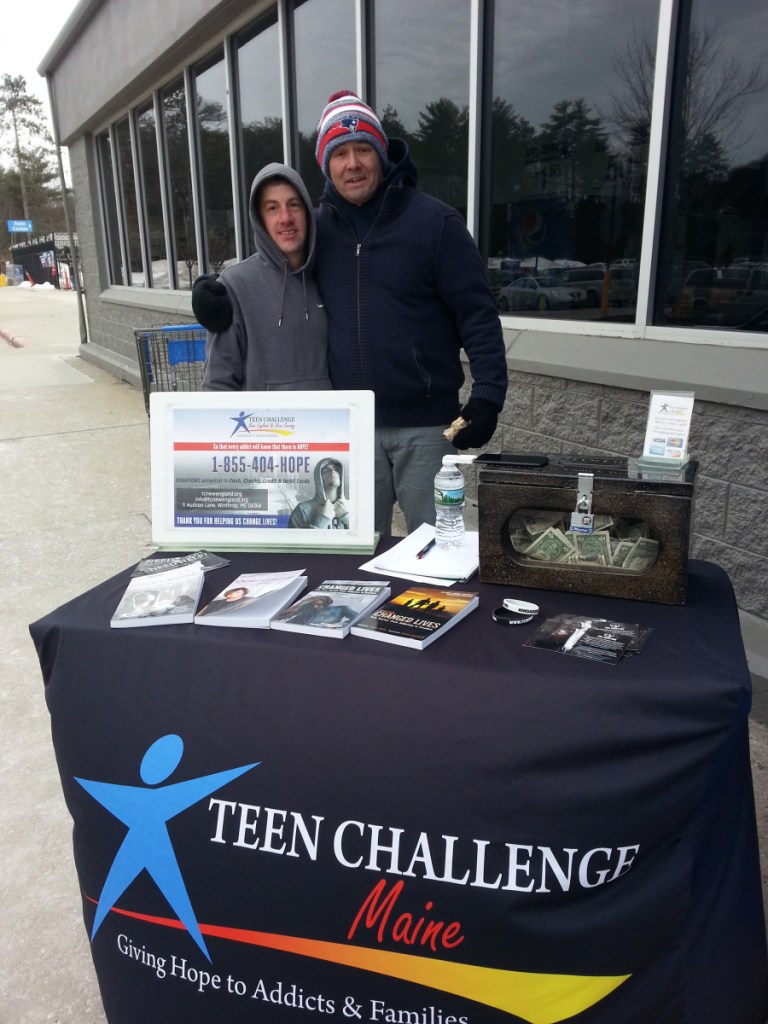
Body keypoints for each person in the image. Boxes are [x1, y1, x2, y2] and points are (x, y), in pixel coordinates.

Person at [194, 93, 508, 534]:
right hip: (349, 433)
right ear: (326, 165)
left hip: (426, 427)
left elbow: (477, 313)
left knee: (440, 547)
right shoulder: (318, 229)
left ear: (381, 155)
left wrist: (489, 393)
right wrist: (213, 292)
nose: (352, 163)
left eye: (362, 149)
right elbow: (272, 260)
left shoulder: (435, 224)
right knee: (355, 556)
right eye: (339, 153)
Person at [201, 162, 330, 392]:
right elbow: (217, 385)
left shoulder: (330, 274)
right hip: (261, 426)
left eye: (294, 205)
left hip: (326, 426)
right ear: (260, 220)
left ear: (307, 213)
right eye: (272, 208)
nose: (285, 218)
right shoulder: (235, 287)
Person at [289, 457, 349, 530]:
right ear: (318, 478)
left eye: (336, 469)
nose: (332, 471)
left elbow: (364, 536)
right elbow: (295, 540)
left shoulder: (353, 506)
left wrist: (347, 519)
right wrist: (322, 521)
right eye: (326, 470)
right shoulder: (302, 510)